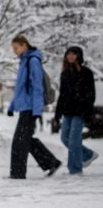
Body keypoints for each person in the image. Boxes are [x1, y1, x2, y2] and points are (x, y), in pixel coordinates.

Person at [8, 34, 61, 179]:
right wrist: (12, 106)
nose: (14, 51)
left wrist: (37, 110)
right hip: (25, 107)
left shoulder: (33, 61)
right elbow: (20, 88)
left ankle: (17, 174)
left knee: (19, 142)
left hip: (31, 108)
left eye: (16, 48)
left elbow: (37, 87)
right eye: (13, 48)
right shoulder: (24, 61)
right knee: (25, 139)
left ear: (24, 45)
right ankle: (51, 163)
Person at [52, 46, 98, 175]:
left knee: (73, 140)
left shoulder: (86, 73)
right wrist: (57, 114)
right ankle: (88, 154)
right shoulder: (65, 73)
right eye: (68, 54)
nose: (71, 56)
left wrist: (87, 110)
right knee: (64, 138)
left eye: (74, 54)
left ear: (79, 56)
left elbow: (91, 94)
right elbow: (62, 95)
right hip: (68, 111)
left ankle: (75, 169)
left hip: (80, 112)